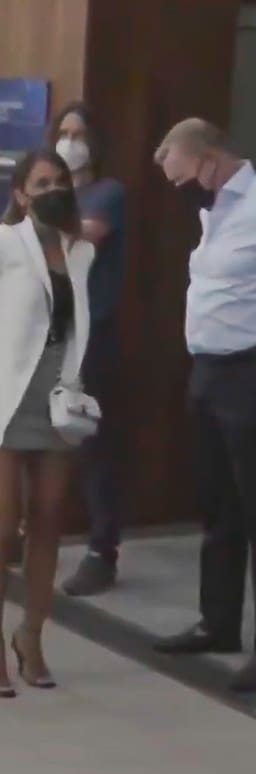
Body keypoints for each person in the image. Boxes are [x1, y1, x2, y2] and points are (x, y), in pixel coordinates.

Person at [0, 149, 94, 697]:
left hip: (56, 403)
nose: (54, 189)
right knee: (1, 527)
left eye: (61, 181)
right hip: (3, 402)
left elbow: (77, 329)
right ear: (22, 193)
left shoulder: (80, 250)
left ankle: (31, 635)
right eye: (42, 182)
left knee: (49, 519)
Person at [152, 119, 256, 693]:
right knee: (219, 508)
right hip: (208, 373)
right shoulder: (212, 209)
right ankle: (218, 624)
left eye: (182, 178)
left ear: (209, 158)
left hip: (249, 372)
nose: (180, 191)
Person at [48, 103, 128, 597]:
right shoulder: (51, 192)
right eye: (63, 132)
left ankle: (103, 551)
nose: (70, 141)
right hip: (48, 332)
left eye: (79, 133)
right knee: (43, 438)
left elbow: (79, 239)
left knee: (94, 443)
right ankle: (31, 534)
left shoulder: (107, 193)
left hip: (91, 334)